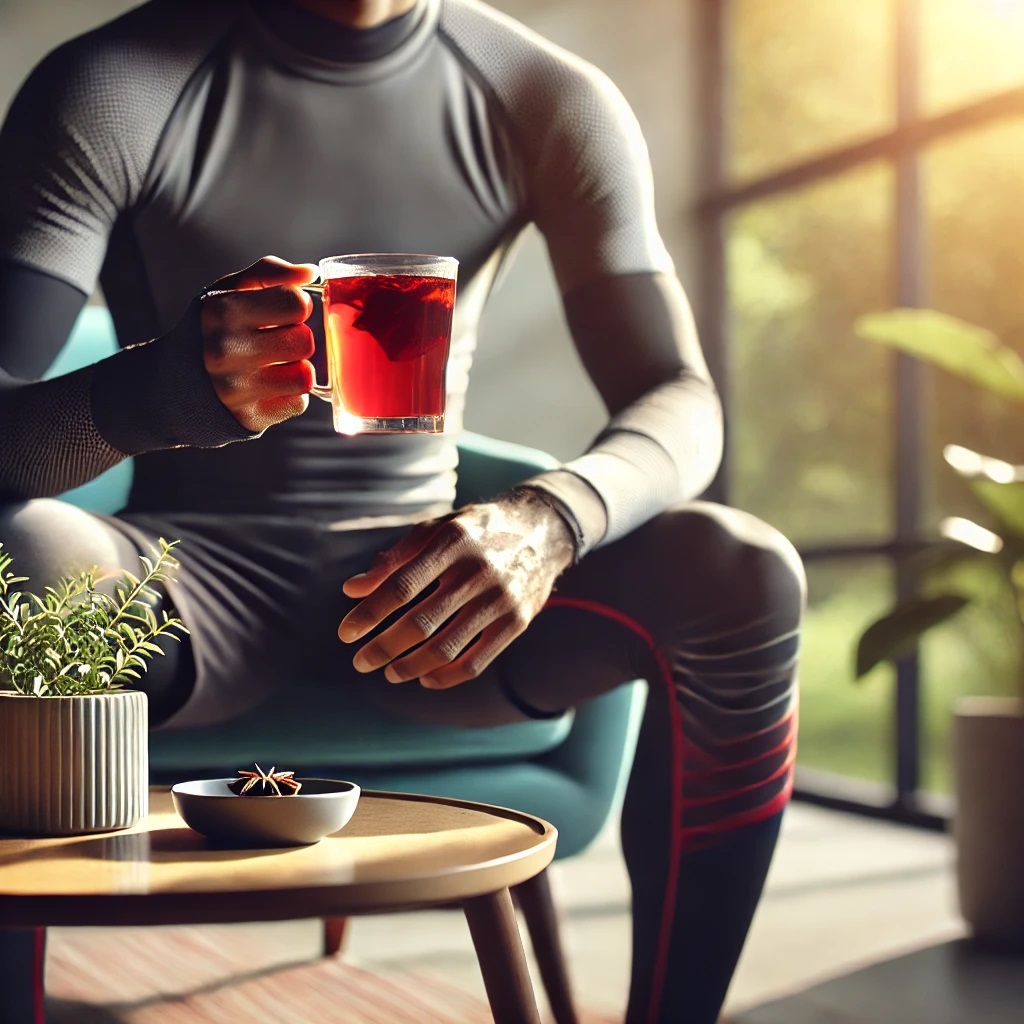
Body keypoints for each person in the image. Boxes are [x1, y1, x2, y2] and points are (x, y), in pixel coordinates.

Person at [0, 0, 805, 1021]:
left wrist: (547, 521)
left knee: (740, 569)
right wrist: (164, 391)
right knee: (13, 553)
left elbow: (680, 398)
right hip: (178, 587)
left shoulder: (544, 95)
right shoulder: (116, 85)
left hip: (437, 603)